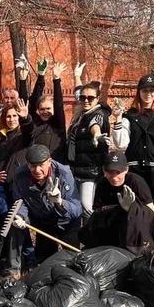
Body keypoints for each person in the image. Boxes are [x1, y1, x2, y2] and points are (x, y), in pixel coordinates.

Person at [11, 144, 83, 262]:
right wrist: (20, 215)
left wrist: (60, 202)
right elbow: (20, 200)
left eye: (41, 165)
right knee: (45, 261)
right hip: (43, 222)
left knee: (73, 259)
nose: (37, 170)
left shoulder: (64, 173)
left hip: (67, 222)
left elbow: (77, 210)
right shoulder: (20, 175)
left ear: (49, 161)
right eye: (33, 166)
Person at [80, 151, 154, 254]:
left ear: (126, 169)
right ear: (104, 170)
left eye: (118, 172)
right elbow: (97, 214)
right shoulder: (102, 184)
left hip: (134, 230)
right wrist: (116, 209)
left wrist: (132, 209)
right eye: (110, 172)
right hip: (111, 227)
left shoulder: (136, 182)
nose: (114, 178)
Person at [65, 78, 110, 217]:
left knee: (86, 207)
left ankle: (92, 230)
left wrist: (97, 135)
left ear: (97, 99)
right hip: (76, 168)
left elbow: (94, 125)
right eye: (83, 97)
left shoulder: (97, 114)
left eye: (90, 98)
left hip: (91, 171)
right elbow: (79, 91)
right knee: (76, 206)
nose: (86, 100)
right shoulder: (82, 114)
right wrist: (76, 75)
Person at [16, 57, 66, 160]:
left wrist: (56, 80)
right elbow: (27, 104)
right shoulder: (35, 123)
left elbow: (58, 104)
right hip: (36, 165)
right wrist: (24, 80)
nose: (45, 112)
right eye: (42, 109)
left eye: (48, 108)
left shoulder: (58, 123)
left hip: (56, 165)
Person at [0, 98, 33, 184]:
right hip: (2, 185)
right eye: (8, 116)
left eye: (15, 116)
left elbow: (28, 130)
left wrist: (25, 119)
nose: (11, 119)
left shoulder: (23, 136)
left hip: (19, 183)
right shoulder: (2, 137)